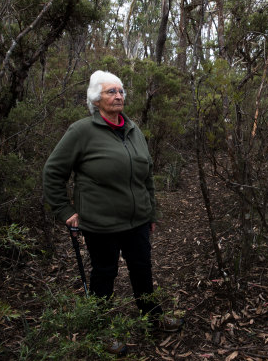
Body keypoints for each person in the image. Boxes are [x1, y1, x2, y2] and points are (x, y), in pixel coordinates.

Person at [42, 70, 183, 355]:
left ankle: (153, 315)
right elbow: (53, 171)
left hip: (137, 220)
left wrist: (151, 212)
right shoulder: (81, 131)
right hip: (101, 223)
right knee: (104, 275)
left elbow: (147, 176)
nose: (118, 96)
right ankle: (101, 329)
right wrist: (65, 210)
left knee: (142, 269)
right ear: (96, 99)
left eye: (120, 91)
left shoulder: (133, 130)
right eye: (110, 92)